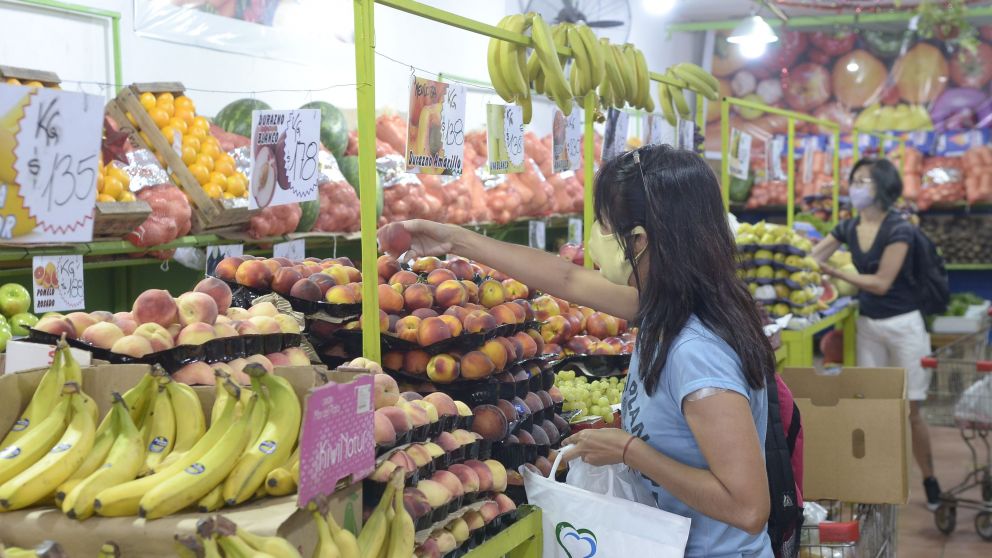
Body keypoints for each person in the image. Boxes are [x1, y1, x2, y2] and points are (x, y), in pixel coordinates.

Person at [384, 145, 775, 557]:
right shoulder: (669, 307)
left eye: (603, 223)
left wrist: (628, 451)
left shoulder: (695, 351)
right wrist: (452, 238)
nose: (594, 236)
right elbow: (568, 280)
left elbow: (747, 507)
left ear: (639, 240)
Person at [812, 157, 940, 510]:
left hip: (904, 327)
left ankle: (929, 479)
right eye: (854, 180)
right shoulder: (848, 227)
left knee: (911, 410)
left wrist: (833, 274)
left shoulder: (900, 229)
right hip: (868, 326)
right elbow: (812, 257)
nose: (856, 187)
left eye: (864, 181)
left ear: (883, 187)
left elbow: (882, 283)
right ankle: (875, 480)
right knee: (871, 407)